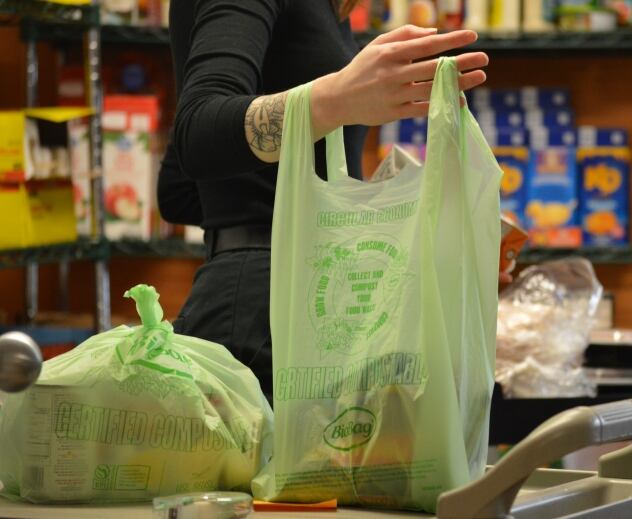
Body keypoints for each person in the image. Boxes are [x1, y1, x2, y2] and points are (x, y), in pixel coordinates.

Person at [157, 0, 501, 398]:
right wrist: (336, 100)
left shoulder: (328, 13)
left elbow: (178, 192)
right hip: (266, 315)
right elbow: (198, 134)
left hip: (302, 294)